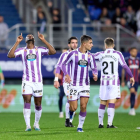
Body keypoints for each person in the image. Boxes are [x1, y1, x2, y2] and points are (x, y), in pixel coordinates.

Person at [7, 32, 56, 131]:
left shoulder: (40, 50)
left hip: (38, 81)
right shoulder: (22, 51)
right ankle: (28, 125)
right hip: (27, 81)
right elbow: (10, 55)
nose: (29, 37)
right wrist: (17, 42)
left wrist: (43, 40)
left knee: (38, 104)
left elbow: (53, 52)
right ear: (25, 40)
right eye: (28, 36)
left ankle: (36, 124)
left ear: (33, 40)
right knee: (27, 101)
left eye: (31, 36)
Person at [94, 38, 135, 128]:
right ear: (113, 45)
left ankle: (100, 124)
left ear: (105, 45)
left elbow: (89, 57)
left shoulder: (100, 54)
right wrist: (131, 76)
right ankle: (109, 124)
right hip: (113, 81)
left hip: (103, 81)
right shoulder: (117, 54)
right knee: (112, 102)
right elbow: (124, 65)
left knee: (103, 102)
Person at [62, 35, 98, 132]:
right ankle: (70, 113)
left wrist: (95, 74)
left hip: (85, 84)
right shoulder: (73, 54)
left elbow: (94, 68)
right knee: (74, 108)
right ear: (84, 43)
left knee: (83, 106)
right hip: (73, 84)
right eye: (90, 43)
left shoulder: (90, 56)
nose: (92, 45)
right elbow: (63, 64)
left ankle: (80, 127)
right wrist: (66, 74)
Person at [54, 37, 78, 127]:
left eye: (76, 42)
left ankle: (70, 120)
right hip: (67, 82)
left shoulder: (80, 54)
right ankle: (67, 120)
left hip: (77, 82)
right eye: (72, 43)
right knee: (69, 99)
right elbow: (58, 67)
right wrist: (56, 80)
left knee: (75, 103)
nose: (74, 44)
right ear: (69, 44)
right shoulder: (64, 55)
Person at [121, 47, 140, 116]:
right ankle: (132, 109)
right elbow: (123, 71)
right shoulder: (127, 60)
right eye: (134, 51)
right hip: (129, 80)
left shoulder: (138, 60)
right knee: (132, 92)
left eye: (136, 51)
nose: (135, 53)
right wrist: (122, 81)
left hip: (137, 80)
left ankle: (132, 108)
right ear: (130, 52)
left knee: (134, 94)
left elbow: (138, 70)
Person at [54, 48, 68, 118]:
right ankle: (61, 112)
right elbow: (55, 70)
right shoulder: (59, 61)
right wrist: (57, 77)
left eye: (65, 52)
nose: (64, 54)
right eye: (63, 52)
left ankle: (71, 111)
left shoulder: (70, 60)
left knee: (71, 98)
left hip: (69, 83)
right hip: (62, 84)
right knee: (61, 97)